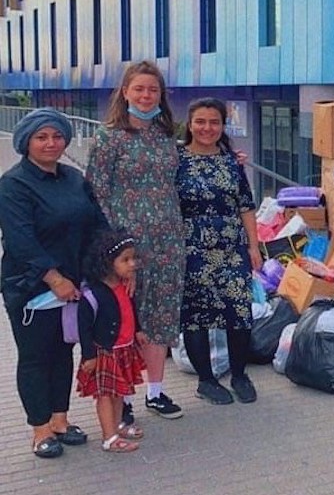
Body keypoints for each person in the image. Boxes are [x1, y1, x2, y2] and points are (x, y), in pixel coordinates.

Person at [0, 108, 108, 457]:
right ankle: (40, 428)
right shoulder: (13, 184)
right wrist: (53, 278)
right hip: (31, 288)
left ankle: (61, 420)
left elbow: (97, 225)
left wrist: (113, 262)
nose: (50, 143)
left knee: (63, 353)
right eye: (41, 137)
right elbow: (19, 240)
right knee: (35, 356)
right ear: (26, 142)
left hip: (74, 285)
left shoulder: (75, 179)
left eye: (57, 136)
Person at [86, 60, 186, 421]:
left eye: (153, 89)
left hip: (168, 243)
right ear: (125, 92)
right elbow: (95, 192)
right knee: (127, 320)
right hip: (126, 248)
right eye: (139, 89)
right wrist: (110, 249)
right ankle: (123, 397)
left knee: (160, 316)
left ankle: (156, 392)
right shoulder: (108, 138)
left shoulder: (165, 138)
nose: (146, 96)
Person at [177, 98, 263, 405]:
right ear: (189, 124)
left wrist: (254, 246)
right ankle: (206, 381)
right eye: (200, 121)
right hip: (192, 250)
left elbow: (247, 206)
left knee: (238, 314)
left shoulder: (231, 161)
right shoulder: (176, 159)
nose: (207, 128)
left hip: (231, 249)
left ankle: (239, 375)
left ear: (223, 126)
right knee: (196, 316)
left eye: (214, 122)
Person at [76, 229, 148, 453]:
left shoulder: (125, 287)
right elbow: (84, 327)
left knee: (119, 392)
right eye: (125, 260)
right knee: (106, 395)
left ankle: (116, 426)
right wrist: (88, 355)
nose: (132, 264)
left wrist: (138, 330)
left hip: (124, 348)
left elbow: (131, 311)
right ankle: (108, 437)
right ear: (107, 263)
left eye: (133, 258)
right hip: (104, 353)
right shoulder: (93, 295)